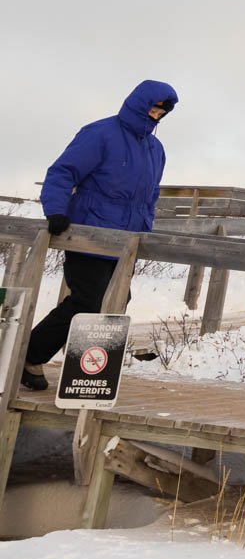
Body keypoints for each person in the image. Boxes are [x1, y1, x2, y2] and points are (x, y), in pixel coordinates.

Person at [21, 81, 178, 391]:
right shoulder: (100, 133)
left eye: (162, 111)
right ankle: (29, 354)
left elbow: (150, 196)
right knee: (87, 301)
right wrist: (55, 209)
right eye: (153, 107)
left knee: (116, 304)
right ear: (138, 103)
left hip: (126, 243)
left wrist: (145, 232)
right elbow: (62, 172)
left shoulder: (155, 149)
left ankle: (88, 376)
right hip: (89, 235)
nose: (157, 114)